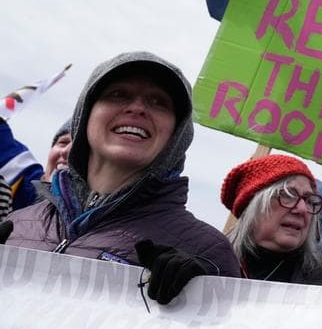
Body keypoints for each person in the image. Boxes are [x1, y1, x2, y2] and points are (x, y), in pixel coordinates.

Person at [1, 52, 241, 303]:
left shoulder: (207, 252)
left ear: (177, 134)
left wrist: (206, 297)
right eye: (118, 94)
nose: (137, 108)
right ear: (85, 116)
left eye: (159, 102)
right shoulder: (16, 224)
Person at [221, 154, 322, 286]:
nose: (302, 209)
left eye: (310, 200)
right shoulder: (208, 263)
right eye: (288, 195)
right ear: (253, 205)